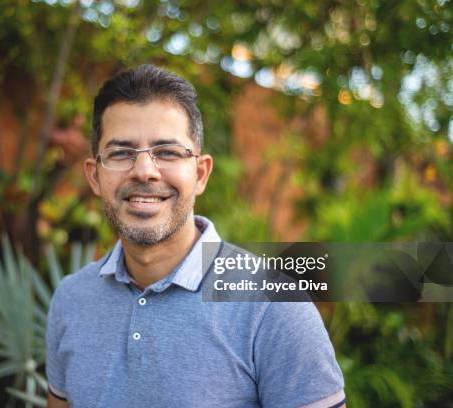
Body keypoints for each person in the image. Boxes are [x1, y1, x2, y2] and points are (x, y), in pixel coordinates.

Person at [46, 64, 346, 408]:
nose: (144, 170)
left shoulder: (273, 307)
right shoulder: (70, 300)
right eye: (121, 153)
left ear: (200, 174)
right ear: (95, 176)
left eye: (168, 152)